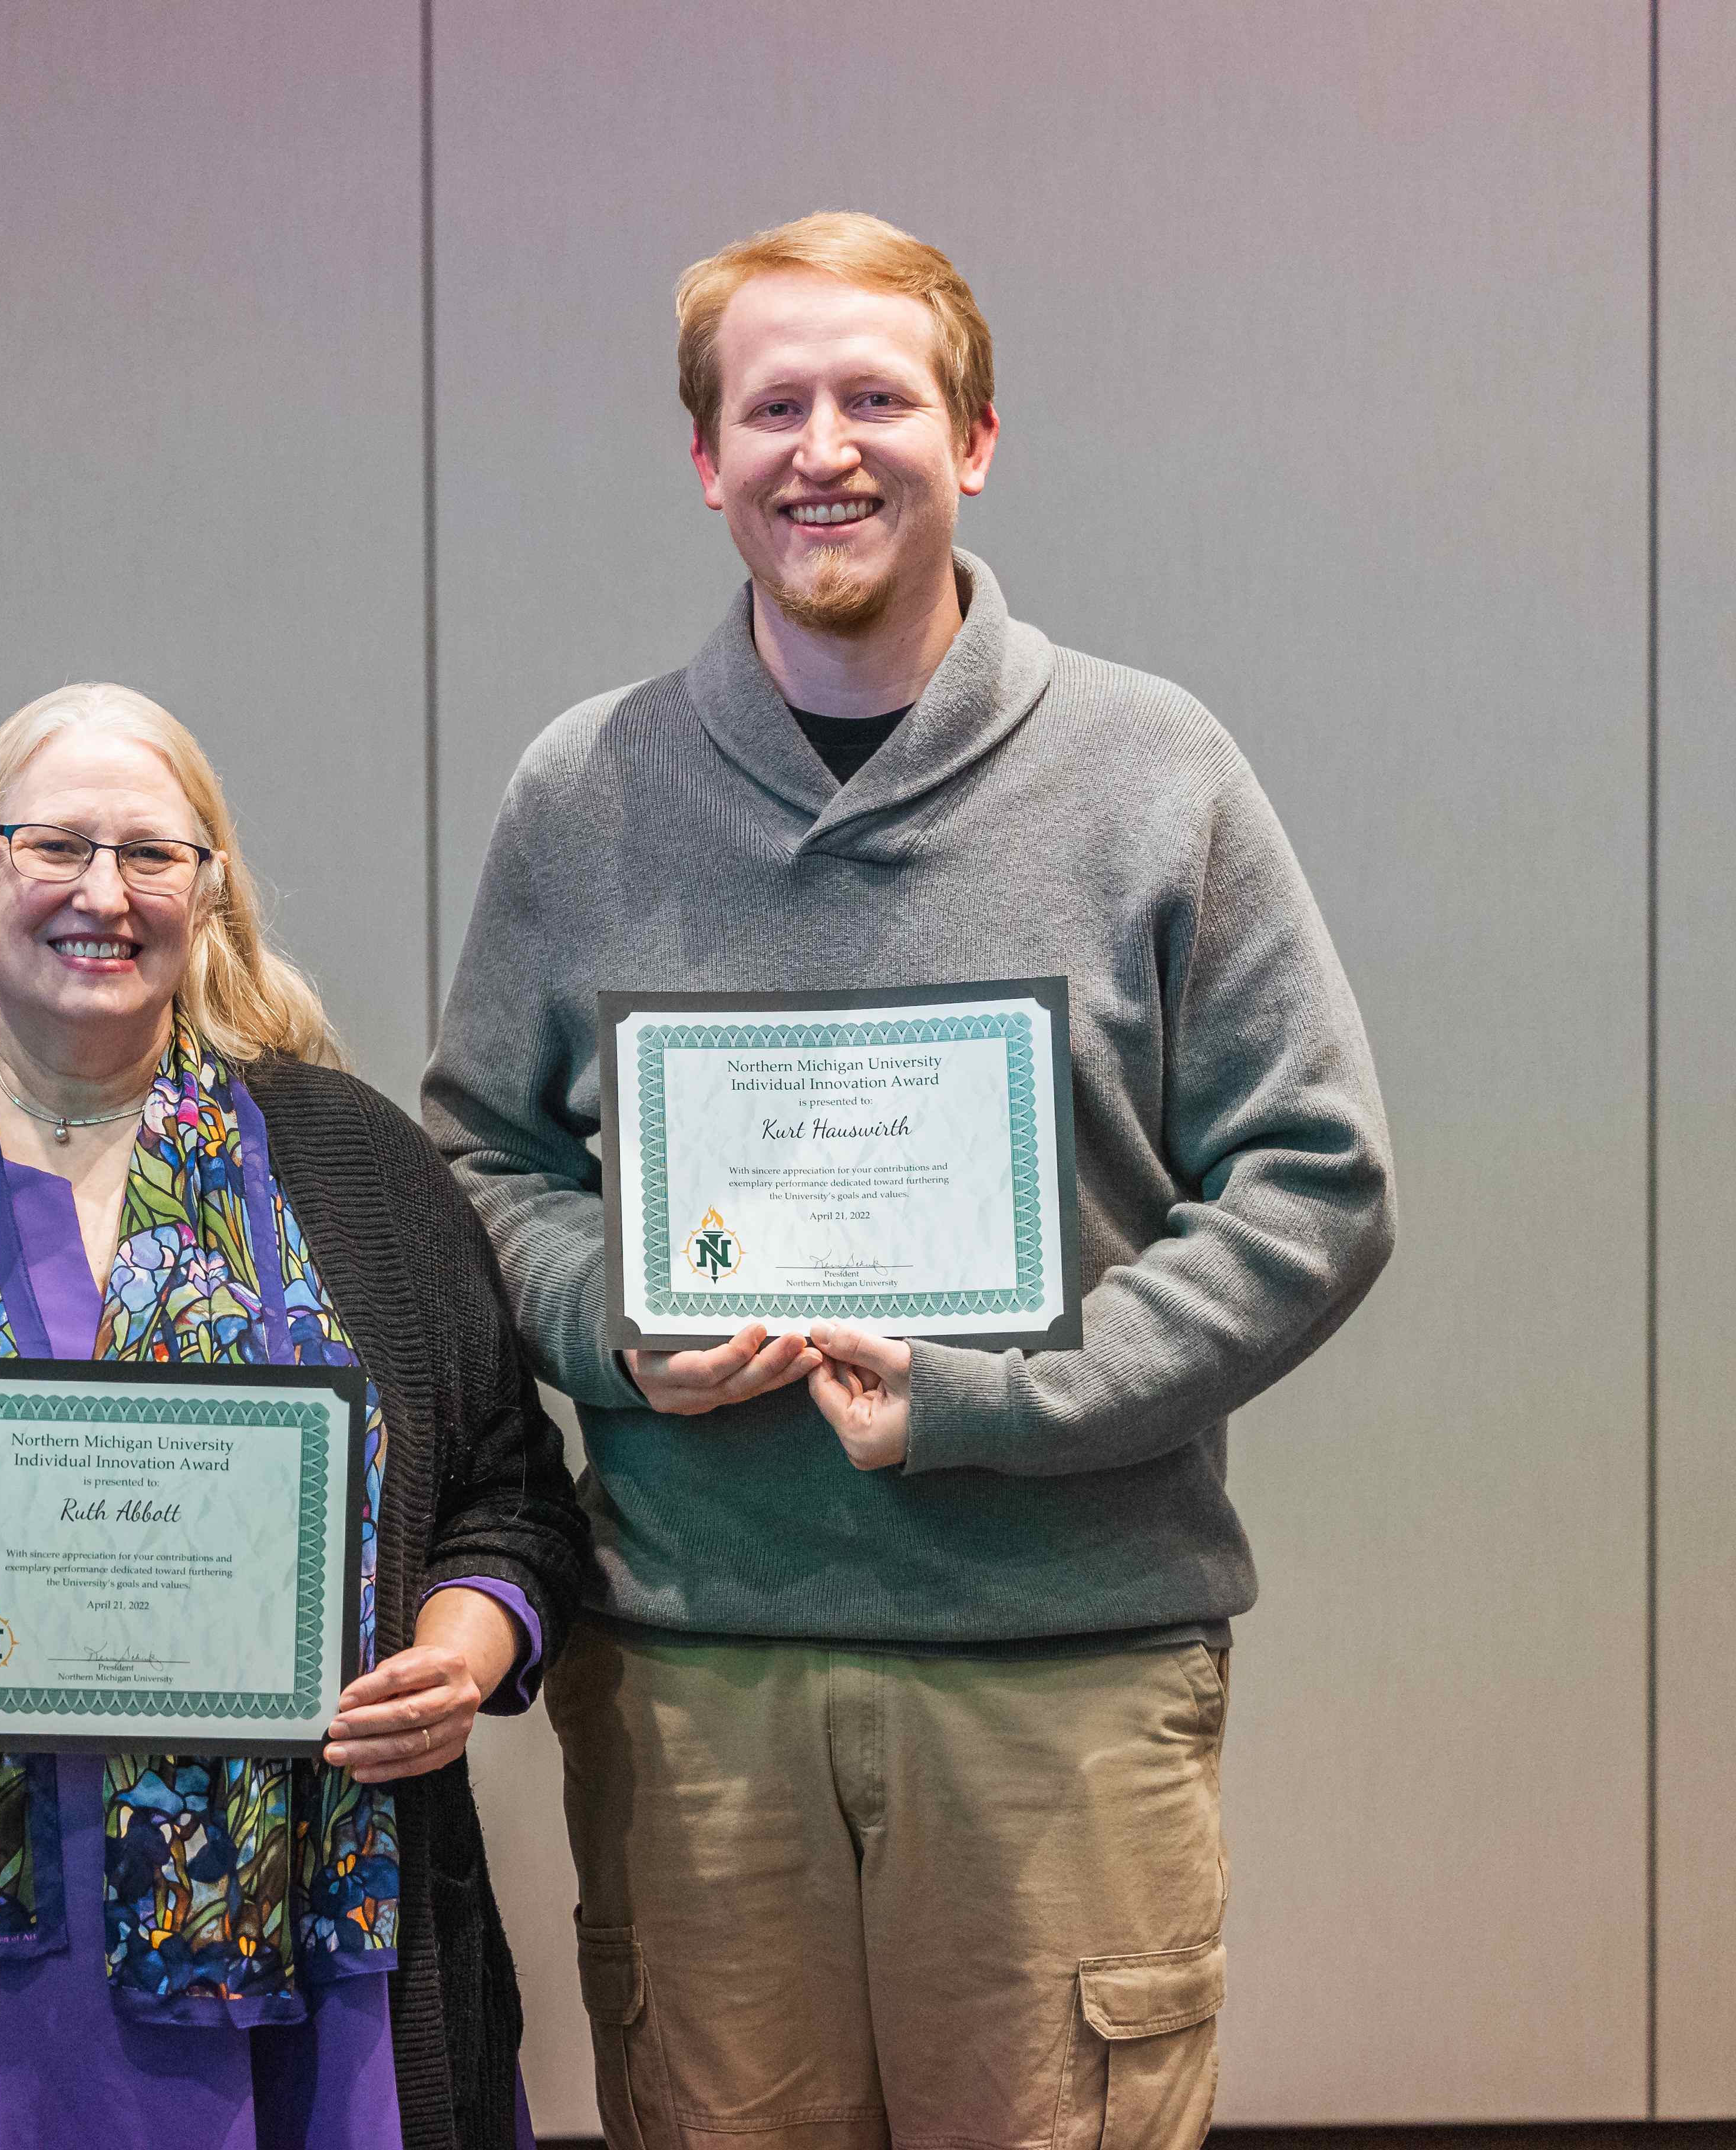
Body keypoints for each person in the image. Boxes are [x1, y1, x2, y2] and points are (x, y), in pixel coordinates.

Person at [424, 214, 1396, 2149]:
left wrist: (1007, 1397)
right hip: (700, 1665)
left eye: (880, 395)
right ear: (707, 458)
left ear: (977, 439)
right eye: (773, 403)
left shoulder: (1149, 767)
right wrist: (615, 1328)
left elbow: (1315, 1179)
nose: (827, 446)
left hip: (1065, 1668)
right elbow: (479, 1149)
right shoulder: (585, 788)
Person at [0, 683, 587, 2147]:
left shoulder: (355, 1172)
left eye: (153, 854)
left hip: (294, 1945)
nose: (104, 892)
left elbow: (512, 1496)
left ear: (209, 895)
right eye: (55, 844)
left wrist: (462, 1652)